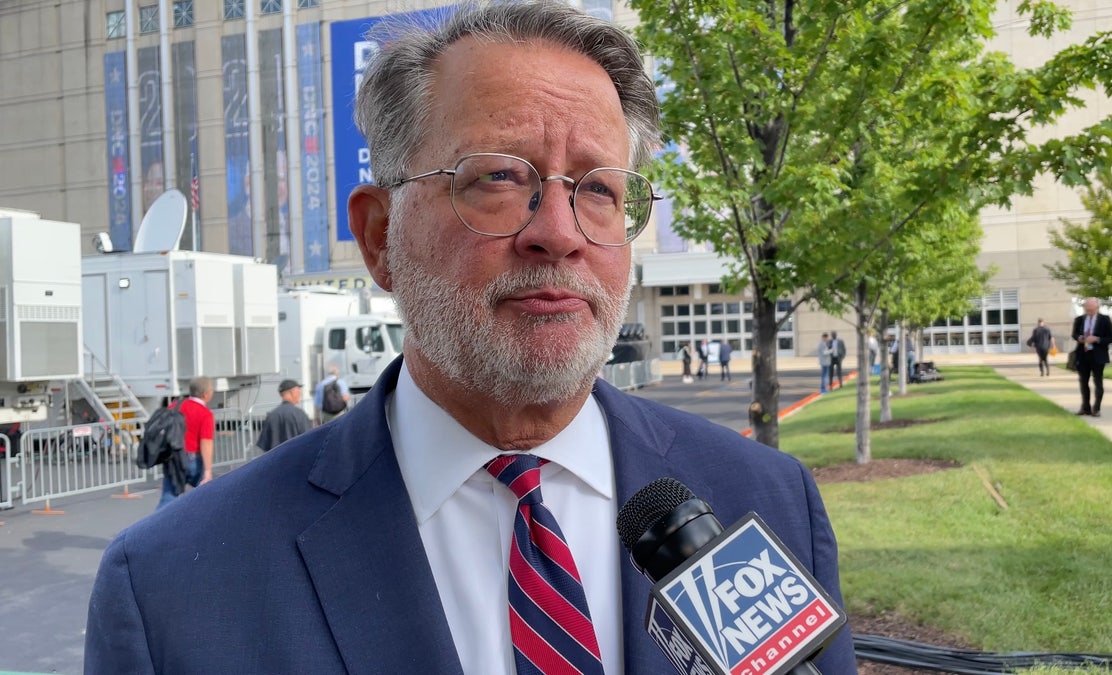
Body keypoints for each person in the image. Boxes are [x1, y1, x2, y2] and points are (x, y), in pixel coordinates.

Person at [84, 3, 856, 673]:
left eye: (598, 189)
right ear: (380, 237)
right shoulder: (174, 590)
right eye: (497, 178)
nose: (559, 234)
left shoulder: (767, 501)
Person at [156, 376, 214, 510]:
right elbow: (206, 442)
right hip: (193, 458)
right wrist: (208, 471)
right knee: (206, 494)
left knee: (169, 497)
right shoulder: (205, 413)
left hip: (174, 457)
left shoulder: (175, 406)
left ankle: (156, 526)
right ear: (206, 394)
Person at [1071, 297, 1112, 416]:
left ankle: (1096, 409)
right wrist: (1079, 338)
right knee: (1083, 382)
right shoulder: (1079, 320)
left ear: (1097, 308)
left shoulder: (1104, 320)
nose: (1088, 312)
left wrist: (1097, 339)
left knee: (1098, 382)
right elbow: (1074, 334)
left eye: (1091, 309)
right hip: (1083, 354)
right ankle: (1085, 407)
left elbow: (1111, 338)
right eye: (1087, 309)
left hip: (1098, 355)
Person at [255, 379, 311, 452]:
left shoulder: (272, 415)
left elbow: (264, 444)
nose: (300, 395)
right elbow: (309, 439)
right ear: (292, 392)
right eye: (298, 392)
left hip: (276, 460)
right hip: (296, 458)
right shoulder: (299, 414)